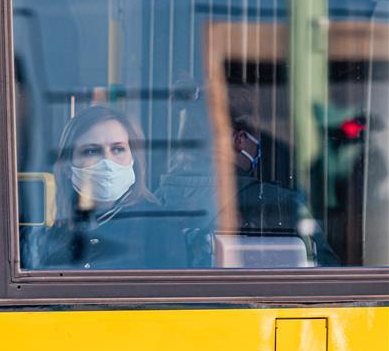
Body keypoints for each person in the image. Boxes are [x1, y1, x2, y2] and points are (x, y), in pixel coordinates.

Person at [157, 88, 338, 266]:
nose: (259, 148)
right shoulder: (282, 205)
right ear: (240, 140)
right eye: (257, 139)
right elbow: (329, 278)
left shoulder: (152, 204)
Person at [29, 105, 186, 270]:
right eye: (91, 151)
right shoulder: (58, 230)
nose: (107, 162)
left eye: (118, 149)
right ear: (68, 167)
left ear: (133, 159)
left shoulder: (159, 227)